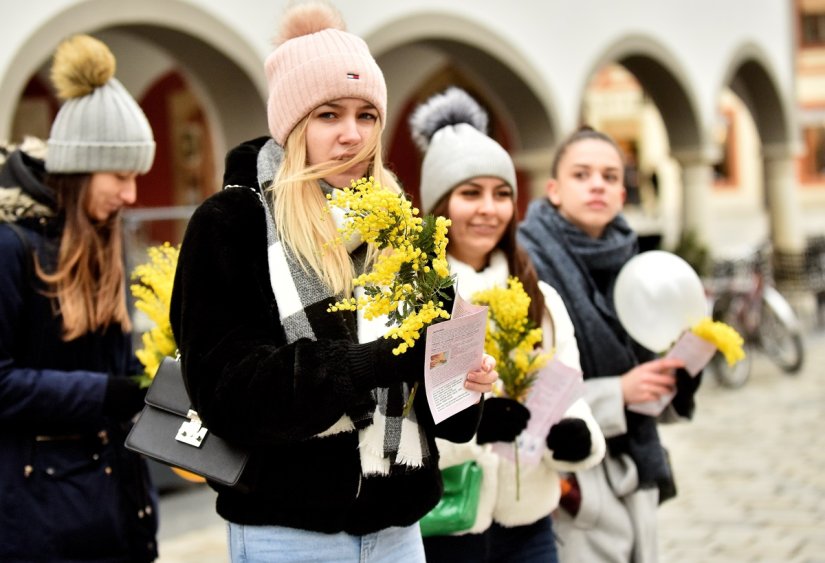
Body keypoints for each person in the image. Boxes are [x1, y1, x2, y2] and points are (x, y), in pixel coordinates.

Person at [168, 3, 497, 562]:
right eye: (329, 115)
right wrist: (378, 360)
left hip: (399, 531)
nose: (352, 135)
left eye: (367, 116)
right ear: (294, 124)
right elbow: (228, 394)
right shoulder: (234, 222)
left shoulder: (399, 223)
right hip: (287, 533)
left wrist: (463, 379)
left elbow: (449, 417)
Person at [410, 87, 606, 563]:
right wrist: (472, 428)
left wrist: (576, 437)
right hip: (445, 523)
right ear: (439, 205)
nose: (488, 209)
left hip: (529, 522)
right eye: (469, 193)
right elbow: (396, 417)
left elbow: (567, 387)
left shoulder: (539, 295)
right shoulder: (414, 295)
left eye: (501, 194)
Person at [0, 35, 158, 562]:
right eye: (120, 175)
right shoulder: (11, 246)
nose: (131, 195)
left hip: (113, 505)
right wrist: (104, 392)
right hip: (40, 519)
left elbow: (116, 375)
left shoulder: (104, 241)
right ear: (78, 168)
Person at [518, 126, 701, 562]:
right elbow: (521, 386)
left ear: (622, 192)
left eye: (610, 176)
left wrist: (679, 371)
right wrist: (616, 393)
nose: (597, 184)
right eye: (581, 175)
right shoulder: (526, 262)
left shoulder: (636, 261)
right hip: (570, 479)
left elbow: (647, 362)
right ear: (554, 190)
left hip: (633, 471)